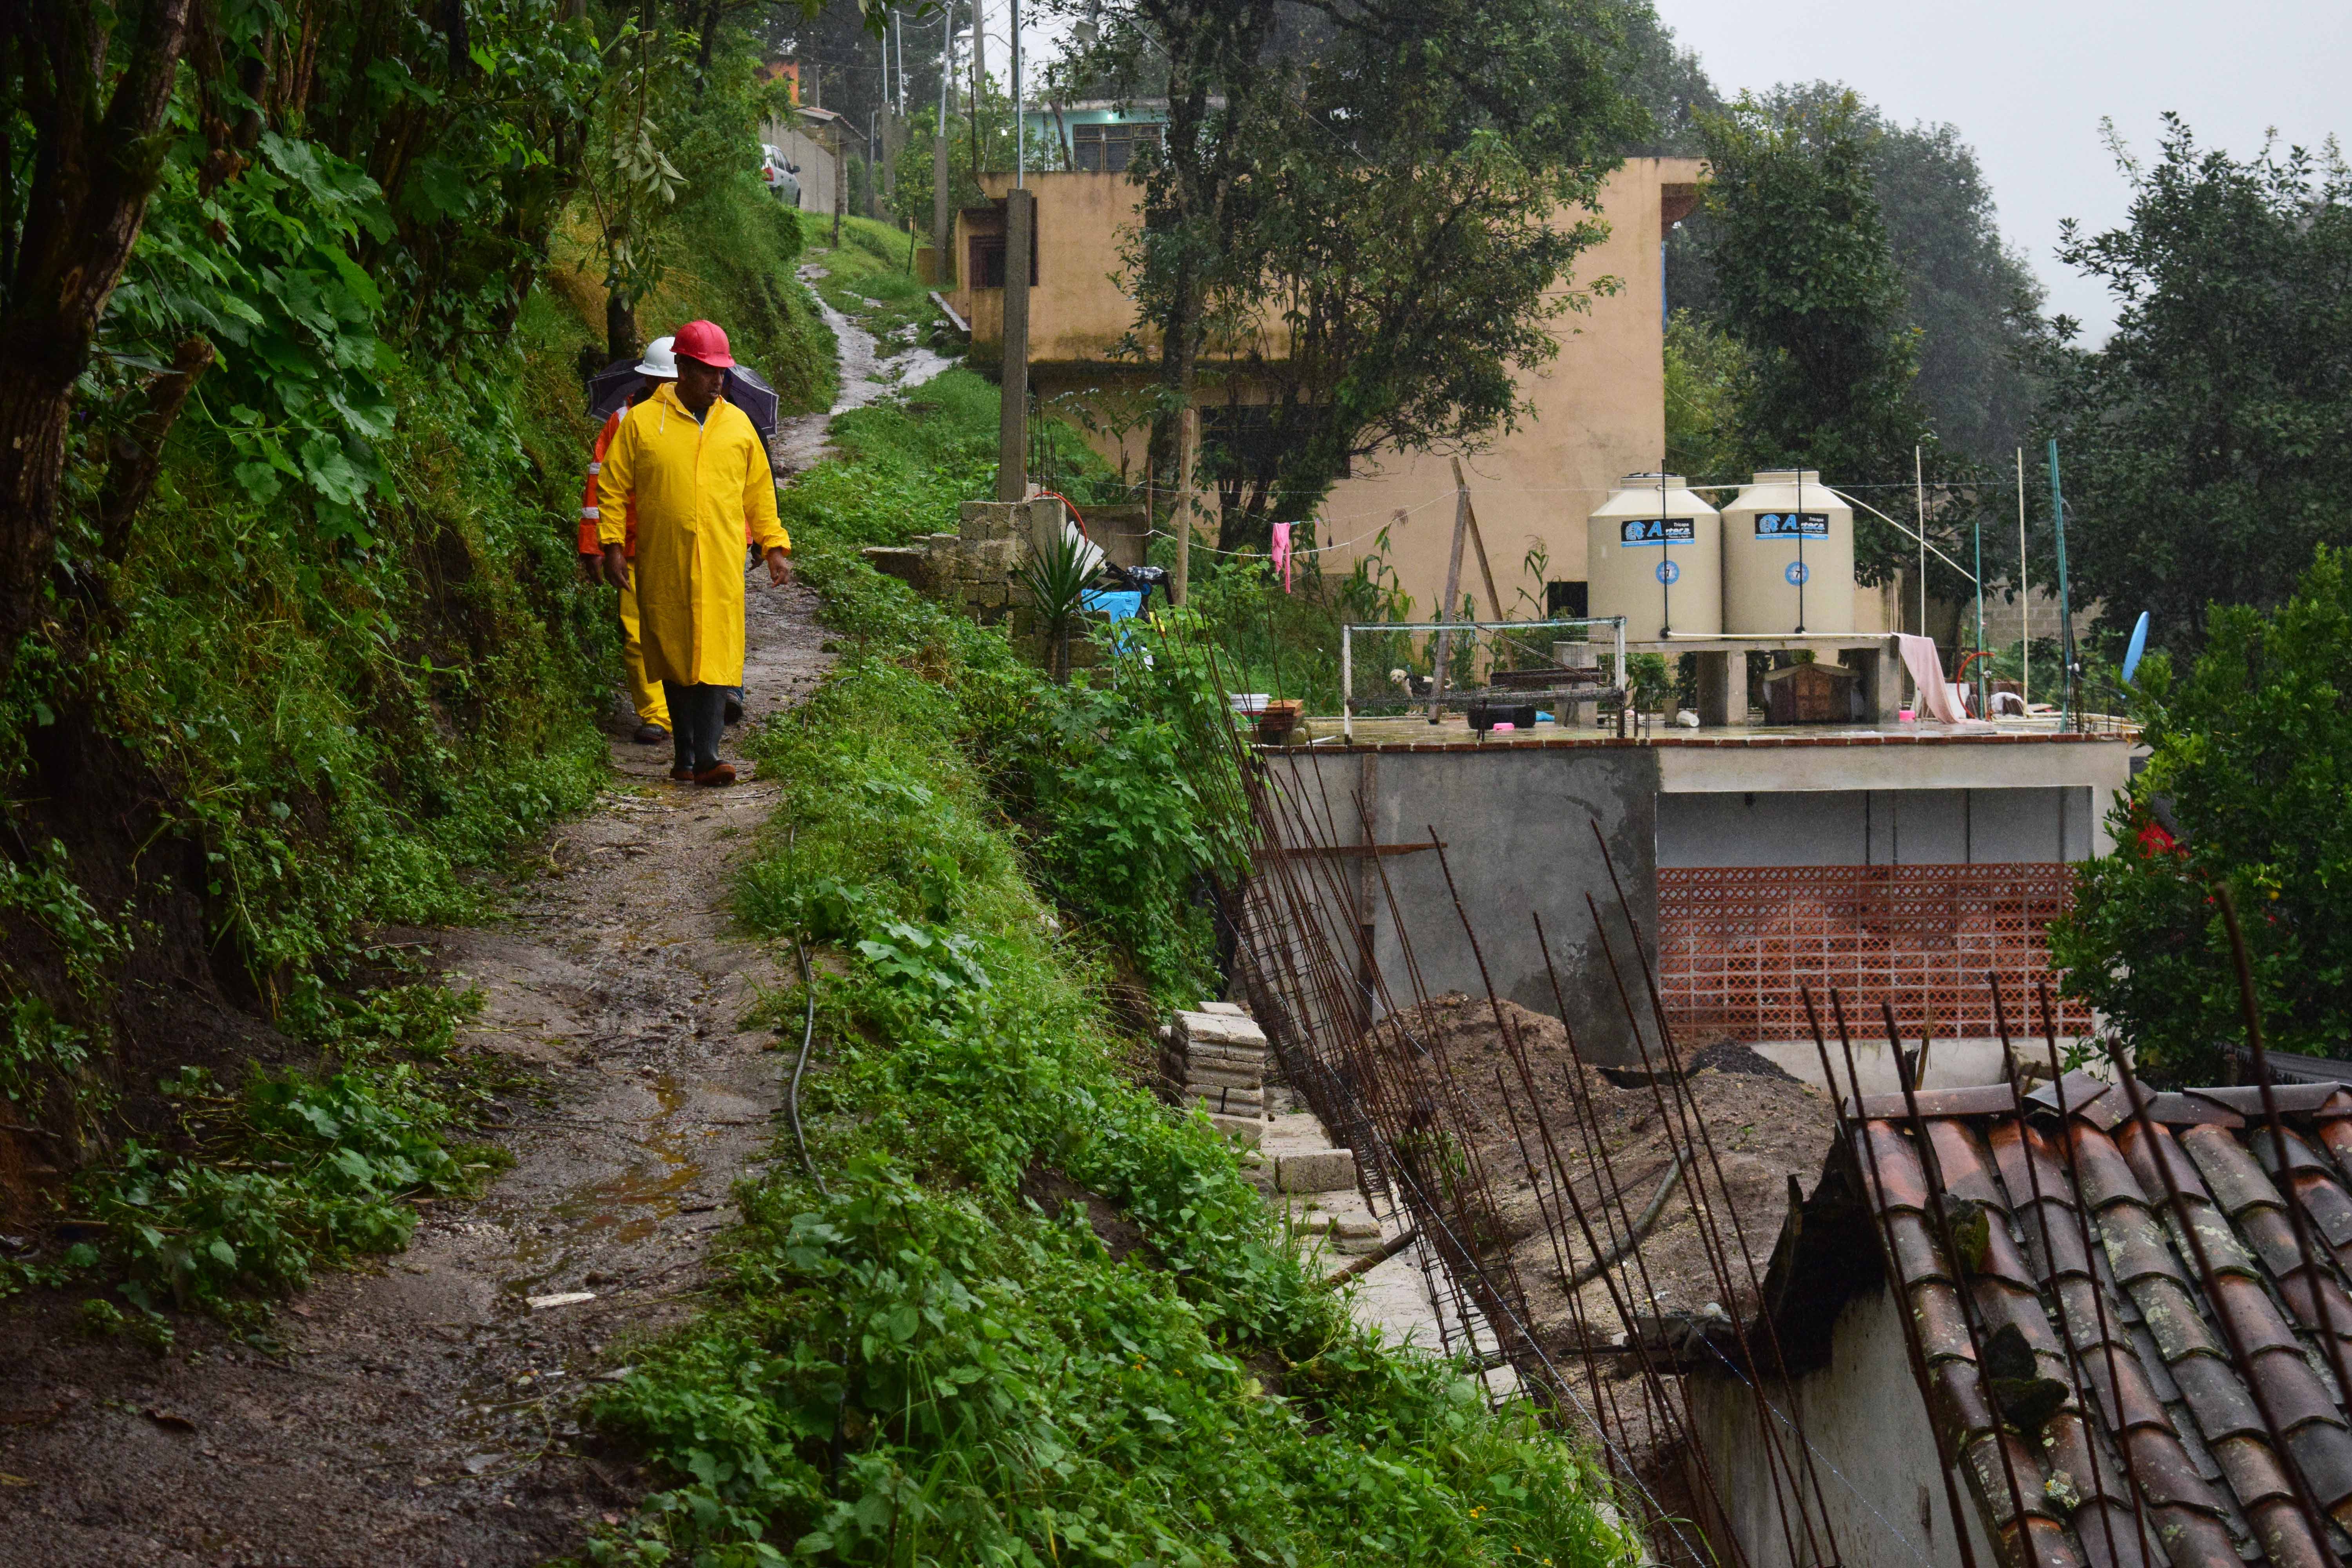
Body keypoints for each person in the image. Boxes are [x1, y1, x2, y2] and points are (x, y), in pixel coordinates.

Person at [597, 319, 790, 786]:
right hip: (663, 559)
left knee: (716, 653)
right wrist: (611, 545)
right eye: (707, 371)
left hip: (722, 561)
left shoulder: (738, 425)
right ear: (681, 368)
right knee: (673, 653)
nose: (717, 380)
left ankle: (706, 756)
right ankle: (685, 758)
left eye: (722, 371)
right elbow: (613, 485)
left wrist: (775, 544)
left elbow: (759, 493)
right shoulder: (643, 423)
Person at [579, 336, 677, 743]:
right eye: (662, 381)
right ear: (648, 381)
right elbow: (598, 485)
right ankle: (656, 714)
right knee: (638, 634)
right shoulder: (621, 422)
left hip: (681, 545)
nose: (668, 389)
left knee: (684, 629)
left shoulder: (702, 422)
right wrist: (594, 545)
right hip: (633, 546)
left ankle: (687, 708)